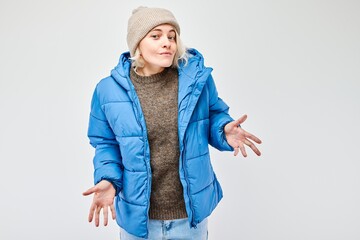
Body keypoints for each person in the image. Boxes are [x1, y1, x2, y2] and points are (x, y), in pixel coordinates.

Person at [83, 6, 262, 240]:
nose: (166, 42)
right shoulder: (107, 90)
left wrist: (223, 129)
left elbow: (212, 115)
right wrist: (108, 179)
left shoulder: (195, 80)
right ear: (137, 44)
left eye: (171, 35)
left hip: (189, 218)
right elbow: (106, 143)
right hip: (139, 220)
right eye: (155, 35)